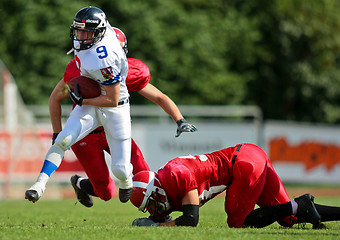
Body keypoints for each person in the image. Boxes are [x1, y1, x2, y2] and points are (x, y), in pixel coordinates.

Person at [49, 27, 197, 207]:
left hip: (113, 128)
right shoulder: (82, 68)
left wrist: (179, 119)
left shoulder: (125, 72)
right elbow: (55, 98)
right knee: (106, 192)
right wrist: (57, 133)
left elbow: (160, 97)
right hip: (88, 133)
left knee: (143, 173)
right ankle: (80, 183)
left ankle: (157, 214)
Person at [25, 6, 133, 203]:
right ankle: (39, 185)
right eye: (79, 30)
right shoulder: (92, 36)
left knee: (121, 169)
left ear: (99, 33)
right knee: (63, 140)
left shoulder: (105, 57)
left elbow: (112, 99)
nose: (81, 36)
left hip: (115, 106)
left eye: (86, 32)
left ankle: (127, 182)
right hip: (93, 99)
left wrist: (82, 100)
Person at [130, 143, 340, 228]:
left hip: (243, 164)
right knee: (288, 219)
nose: (154, 209)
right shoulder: (164, 183)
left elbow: (190, 219)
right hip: (249, 156)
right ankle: (309, 208)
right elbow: (168, 211)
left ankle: (299, 204)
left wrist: (158, 226)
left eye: (152, 204)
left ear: (155, 189)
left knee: (237, 221)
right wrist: (154, 219)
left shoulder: (175, 175)